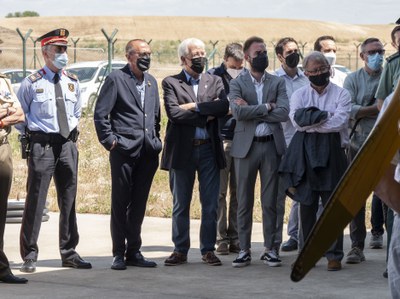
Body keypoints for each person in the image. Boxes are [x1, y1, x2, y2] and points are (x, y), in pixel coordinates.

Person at [17, 28, 91, 273]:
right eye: (58, 49)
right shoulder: (32, 82)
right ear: (45, 52)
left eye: (65, 49)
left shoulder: (72, 81)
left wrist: (68, 135)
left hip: (68, 144)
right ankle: (29, 254)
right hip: (42, 145)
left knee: (68, 199)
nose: (63, 54)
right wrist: (35, 136)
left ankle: (69, 252)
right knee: (36, 201)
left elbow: (76, 113)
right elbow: (20, 115)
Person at [279, 51, 351, 271]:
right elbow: (297, 123)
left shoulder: (342, 94)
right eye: (314, 71)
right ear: (306, 72)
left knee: (332, 207)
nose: (319, 74)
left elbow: (339, 122)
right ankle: (306, 252)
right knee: (306, 205)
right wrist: (323, 117)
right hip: (304, 154)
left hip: (333, 153)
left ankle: (334, 255)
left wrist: (312, 119)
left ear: (329, 70)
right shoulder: (299, 95)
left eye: (322, 69)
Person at [94, 39, 162, 270]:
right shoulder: (116, 79)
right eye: (142, 54)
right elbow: (101, 114)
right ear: (129, 56)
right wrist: (111, 141)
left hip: (147, 152)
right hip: (123, 150)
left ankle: (134, 250)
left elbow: (155, 117)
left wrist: (155, 140)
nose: (146, 58)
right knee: (120, 202)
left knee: (139, 203)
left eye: (149, 54)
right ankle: (118, 253)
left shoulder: (151, 82)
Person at [161, 38, 229, 266]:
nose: (201, 58)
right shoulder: (171, 82)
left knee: (210, 203)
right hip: (183, 151)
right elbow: (173, 114)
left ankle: (208, 249)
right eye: (195, 55)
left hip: (209, 150)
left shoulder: (215, 80)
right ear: (183, 59)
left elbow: (223, 107)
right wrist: (206, 113)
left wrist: (193, 107)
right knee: (181, 203)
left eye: (203, 53)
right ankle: (180, 249)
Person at [229, 36, 289, 268]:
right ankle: (244, 249)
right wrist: (266, 107)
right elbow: (237, 113)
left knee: (270, 201)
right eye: (258, 53)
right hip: (246, 148)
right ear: (246, 57)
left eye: (265, 52)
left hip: (271, 146)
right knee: (244, 200)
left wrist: (252, 110)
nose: (262, 56)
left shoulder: (277, 82)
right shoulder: (237, 82)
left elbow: (283, 113)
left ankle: (270, 249)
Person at [343, 37, 385, 264]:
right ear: (362, 56)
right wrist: (376, 109)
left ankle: (390, 247)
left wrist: (368, 110)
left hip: (385, 145)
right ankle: (357, 247)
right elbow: (349, 109)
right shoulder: (352, 79)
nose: (378, 55)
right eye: (372, 51)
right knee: (356, 197)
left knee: (388, 196)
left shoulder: (391, 77)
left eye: (380, 51)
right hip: (357, 144)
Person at [207, 43, 245, 255]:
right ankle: (221, 238)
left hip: (242, 140)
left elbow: (250, 104)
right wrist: (230, 107)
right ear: (225, 60)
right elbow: (211, 105)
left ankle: (236, 236)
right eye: (234, 66)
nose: (237, 70)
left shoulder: (247, 76)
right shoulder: (213, 76)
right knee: (220, 193)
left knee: (238, 192)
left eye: (240, 67)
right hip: (221, 139)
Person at [273, 37, 309, 253]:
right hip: (282, 141)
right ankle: (274, 243)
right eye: (289, 52)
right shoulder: (275, 80)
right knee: (281, 192)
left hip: (305, 140)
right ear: (279, 56)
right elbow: (279, 111)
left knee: (303, 189)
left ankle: (296, 235)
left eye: (296, 50)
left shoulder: (307, 78)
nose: (294, 55)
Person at [0, 69, 28, 283]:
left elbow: (19, 114)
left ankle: (0, 268)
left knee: (1, 212)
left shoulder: (3, 82)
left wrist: (2, 121)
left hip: (2, 148)